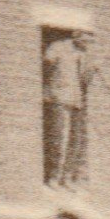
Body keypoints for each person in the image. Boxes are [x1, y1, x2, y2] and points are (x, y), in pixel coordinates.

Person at [43, 29, 95, 187]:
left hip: (75, 100)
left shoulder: (85, 53)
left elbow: (85, 80)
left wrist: (90, 66)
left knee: (75, 140)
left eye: (89, 41)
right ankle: (53, 176)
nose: (87, 44)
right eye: (84, 40)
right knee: (59, 138)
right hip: (58, 97)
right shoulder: (58, 47)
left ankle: (66, 177)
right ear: (76, 36)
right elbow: (46, 64)